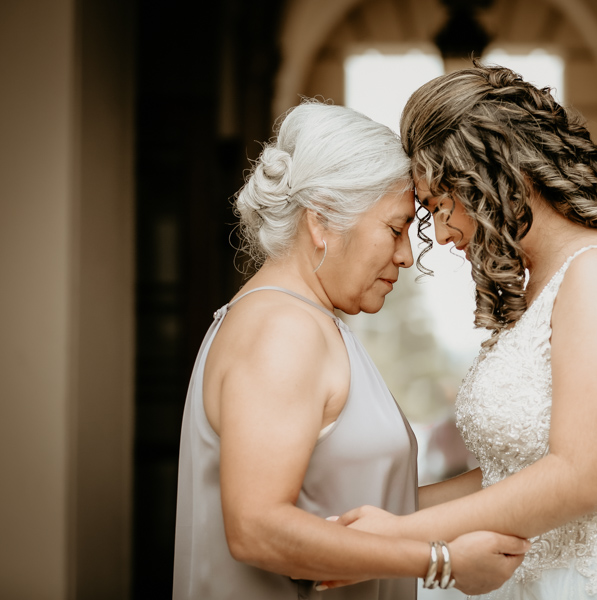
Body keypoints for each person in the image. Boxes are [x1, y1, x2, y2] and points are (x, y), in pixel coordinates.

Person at [333, 65, 597, 599]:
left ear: (492, 177)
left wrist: (399, 538)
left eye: (443, 206)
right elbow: (510, 474)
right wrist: (381, 515)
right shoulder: (543, 287)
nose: (442, 234)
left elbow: (578, 478)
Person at [172, 100, 529, 600]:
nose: (406, 256)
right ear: (321, 222)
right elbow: (255, 528)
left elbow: (370, 509)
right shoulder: (283, 331)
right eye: (395, 228)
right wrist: (440, 562)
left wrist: (523, 477)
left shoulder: (308, 321)